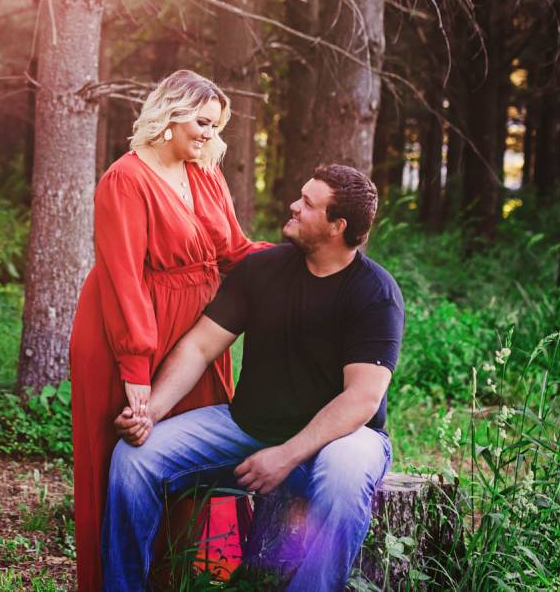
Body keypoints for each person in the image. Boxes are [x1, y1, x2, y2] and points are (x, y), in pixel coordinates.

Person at [102, 164, 403, 592]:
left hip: (339, 441)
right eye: (301, 196)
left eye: (308, 204)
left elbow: (361, 400)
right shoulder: (261, 271)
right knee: (134, 458)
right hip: (246, 428)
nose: (294, 206)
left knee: (344, 477)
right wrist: (150, 412)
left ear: (338, 226)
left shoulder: (375, 294)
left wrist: (286, 455)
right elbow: (199, 347)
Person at [68, 70, 271, 592]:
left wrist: (302, 257)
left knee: (189, 458)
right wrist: (135, 370)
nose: (209, 134)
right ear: (170, 113)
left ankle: (183, 578)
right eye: (202, 122)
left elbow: (233, 252)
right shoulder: (126, 179)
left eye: (215, 125)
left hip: (197, 336)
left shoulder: (204, 173)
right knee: (130, 453)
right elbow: (123, 280)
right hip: (129, 330)